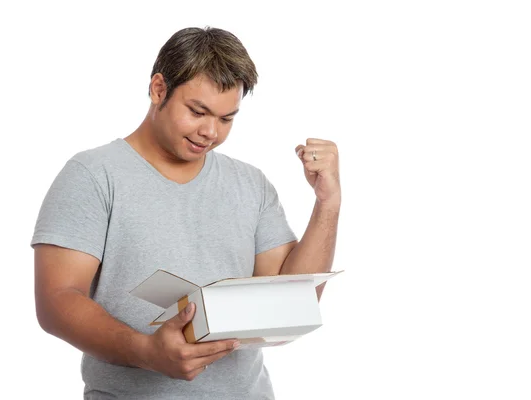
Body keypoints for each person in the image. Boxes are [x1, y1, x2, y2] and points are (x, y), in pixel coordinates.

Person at [31, 26, 341, 400]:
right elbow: (57, 299)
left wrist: (327, 203)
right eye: (197, 111)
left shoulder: (250, 183)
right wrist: (145, 352)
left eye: (227, 119)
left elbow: (291, 301)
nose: (210, 131)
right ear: (159, 89)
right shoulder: (93, 176)